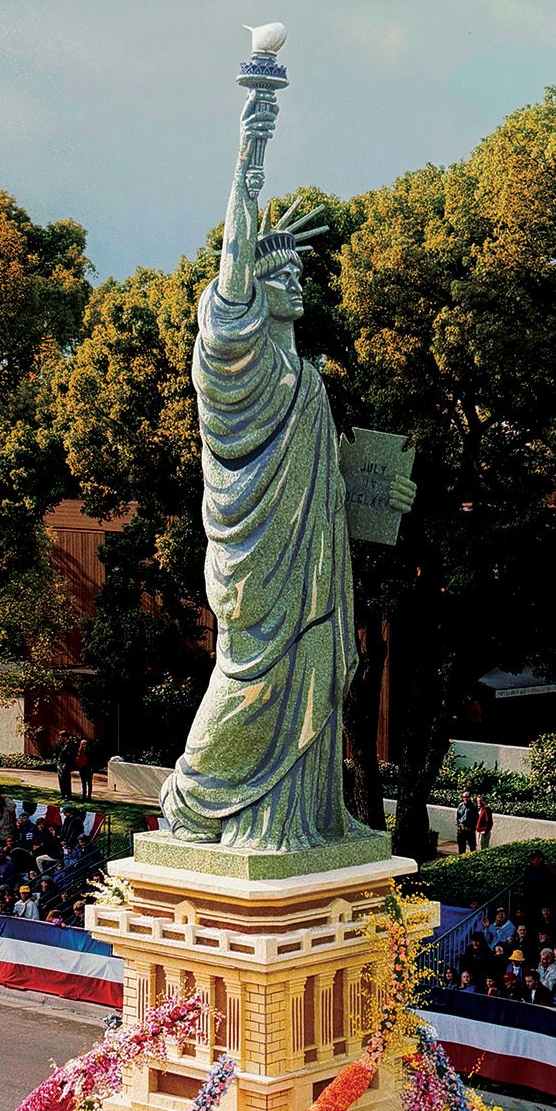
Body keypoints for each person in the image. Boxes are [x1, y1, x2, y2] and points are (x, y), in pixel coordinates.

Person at [159, 83, 413, 849]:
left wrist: (381, 492)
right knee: (252, 679)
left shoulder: (306, 381)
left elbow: (329, 480)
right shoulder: (231, 357)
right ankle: (195, 802)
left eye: (298, 271)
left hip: (313, 566)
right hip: (257, 566)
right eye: (281, 271)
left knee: (315, 674)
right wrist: (250, 153)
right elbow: (236, 251)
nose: (296, 278)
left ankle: (294, 821)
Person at [455, 790, 477, 855]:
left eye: (467, 797)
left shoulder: (473, 807)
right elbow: (458, 816)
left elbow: (476, 818)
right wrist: (459, 825)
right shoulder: (460, 806)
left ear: (470, 797)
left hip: (469, 829)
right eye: (464, 797)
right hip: (461, 829)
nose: (465, 798)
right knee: (461, 847)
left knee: (472, 846)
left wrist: (472, 827)